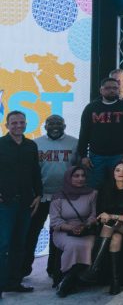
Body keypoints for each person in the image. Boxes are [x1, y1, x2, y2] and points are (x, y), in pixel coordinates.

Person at [22, 115, 77, 281]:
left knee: (57, 235)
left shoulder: (74, 143)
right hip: (39, 197)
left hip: (63, 197)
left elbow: (79, 169)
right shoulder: (35, 144)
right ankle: (23, 269)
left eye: (58, 123)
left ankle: (54, 269)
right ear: (45, 126)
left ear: (64, 126)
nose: (55, 126)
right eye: (51, 123)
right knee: (31, 233)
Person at [77, 77, 123, 188]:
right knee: (95, 188)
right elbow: (84, 132)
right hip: (96, 157)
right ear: (101, 90)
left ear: (118, 90)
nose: (112, 90)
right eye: (108, 88)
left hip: (120, 156)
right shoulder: (91, 108)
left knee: (120, 188)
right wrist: (83, 155)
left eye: (115, 88)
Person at [50, 166, 97, 297]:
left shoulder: (92, 193)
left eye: (83, 175)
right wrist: (71, 228)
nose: (80, 178)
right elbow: (54, 221)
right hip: (63, 231)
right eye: (76, 176)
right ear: (68, 178)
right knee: (72, 245)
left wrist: (85, 225)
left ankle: (66, 281)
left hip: (85, 230)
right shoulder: (58, 197)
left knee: (88, 244)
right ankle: (69, 279)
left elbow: (93, 215)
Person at [95, 161, 123, 294]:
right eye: (118, 170)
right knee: (116, 238)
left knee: (111, 223)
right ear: (113, 173)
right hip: (108, 228)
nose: (121, 173)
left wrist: (112, 216)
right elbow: (99, 213)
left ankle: (94, 267)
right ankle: (115, 282)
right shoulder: (104, 190)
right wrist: (105, 217)